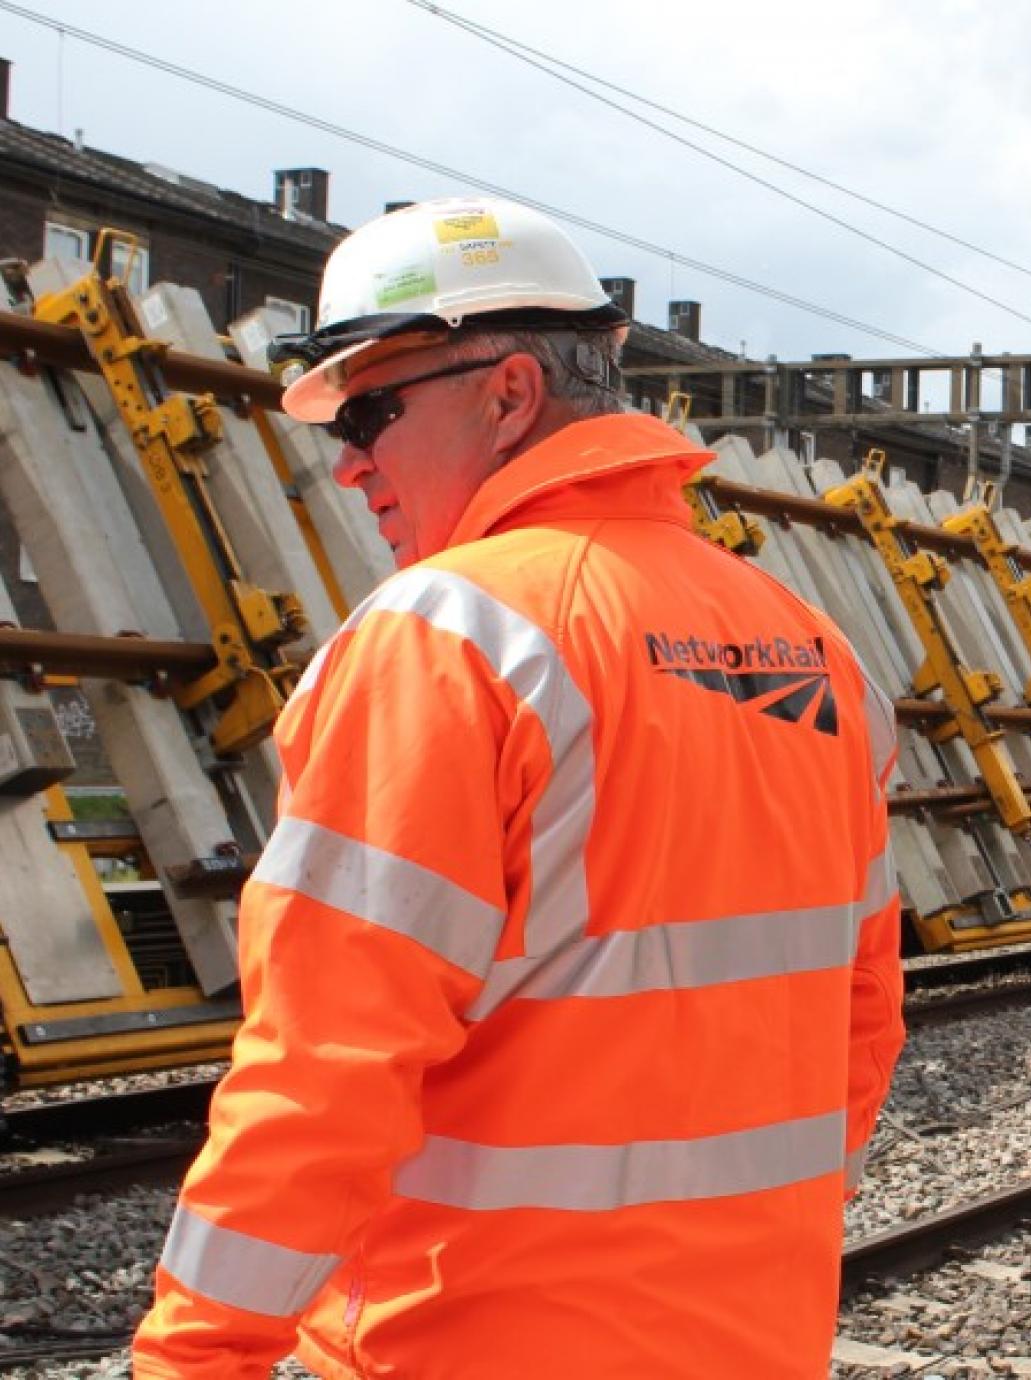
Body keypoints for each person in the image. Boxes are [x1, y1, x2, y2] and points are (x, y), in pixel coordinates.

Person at [131, 196, 906, 1378]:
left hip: (472, 1341)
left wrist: (194, 1356)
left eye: (372, 410)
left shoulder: (447, 638)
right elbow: (859, 1014)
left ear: (507, 394)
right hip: (751, 1337)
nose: (349, 467)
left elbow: (323, 1065)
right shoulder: (809, 648)